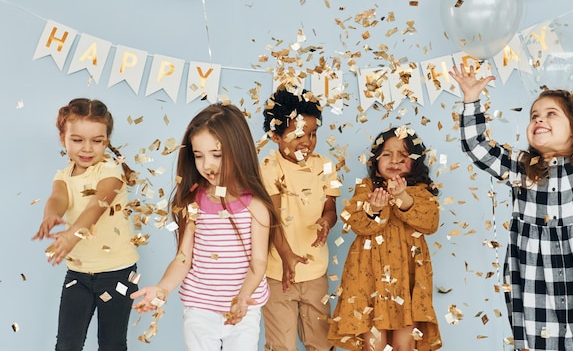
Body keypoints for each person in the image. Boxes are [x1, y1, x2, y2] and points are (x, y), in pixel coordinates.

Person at [450, 64, 573, 351]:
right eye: (534, 116)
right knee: (541, 340)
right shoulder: (522, 168)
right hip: (536, 273)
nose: (539, 120)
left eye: (551, 114)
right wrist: (471, 99)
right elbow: (477, 147)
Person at [130, 103, 281, 351]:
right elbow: (183, 258)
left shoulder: (255, 206)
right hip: (200, 307)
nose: (206, 165)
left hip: (244, 307)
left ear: (238, 151)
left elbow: (259, 263)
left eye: (216, 155)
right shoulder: (194, 201)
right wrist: (162, 288)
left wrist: (242, 298)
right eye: (198, 156)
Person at [32, 98, 140, 351]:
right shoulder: (63, 176)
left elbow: (97, 205)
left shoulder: (111, 172)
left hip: (118, 273)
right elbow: (58, 197)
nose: (87, 148)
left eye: (97, 141)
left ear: (107, 140)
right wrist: (51, 215)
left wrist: (72, 234)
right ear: (63, 138)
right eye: (77, 140)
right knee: (67, 344)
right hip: (78, 275)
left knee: (112, 344)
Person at [327, 126, 442, 351]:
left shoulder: (421, 192)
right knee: (374, 343)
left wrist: (402, 196)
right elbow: (353, 221)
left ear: (415, 162)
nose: (395, 160)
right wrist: (373, 208)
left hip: (407, 281)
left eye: (403, 155)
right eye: (387, 154)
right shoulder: (366, 189)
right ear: (376, 165)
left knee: (404, 343)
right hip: (370, 280)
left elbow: (430, 223)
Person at [260, 85, 341, 351]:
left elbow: (331, 209)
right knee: (281, 344)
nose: (306, 142)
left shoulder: (325, 165)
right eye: (297, 135)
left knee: (320, 341)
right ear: (275, 135)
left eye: (312, 133)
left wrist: (326, 222)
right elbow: (272, 218)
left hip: (315, 273)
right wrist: (286, 256)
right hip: (277, 272)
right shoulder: (270, 167)